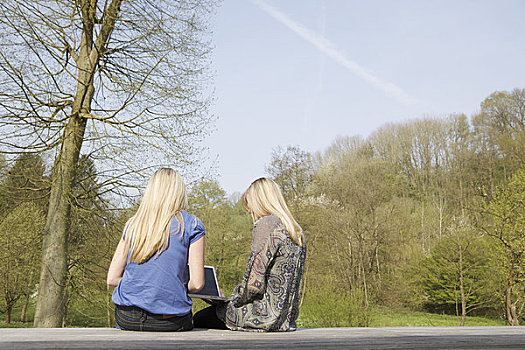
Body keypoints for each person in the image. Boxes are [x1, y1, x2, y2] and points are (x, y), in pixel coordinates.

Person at [194, 177, 306, 331]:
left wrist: (227, 300)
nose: (248, 211)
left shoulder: (267, 224)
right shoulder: (296, 232)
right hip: (287, 320)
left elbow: (253, 286)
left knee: (199, 318)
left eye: (249, 205)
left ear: (259, 202)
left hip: (262, 317)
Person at [107, 168, 205, 331]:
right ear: (179, 192)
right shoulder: (191, 224)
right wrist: (173, 286)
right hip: (169, 321)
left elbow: (112, 279)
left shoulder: (133, 225)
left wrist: (142, 285)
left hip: (127, 317)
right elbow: (197, 284)